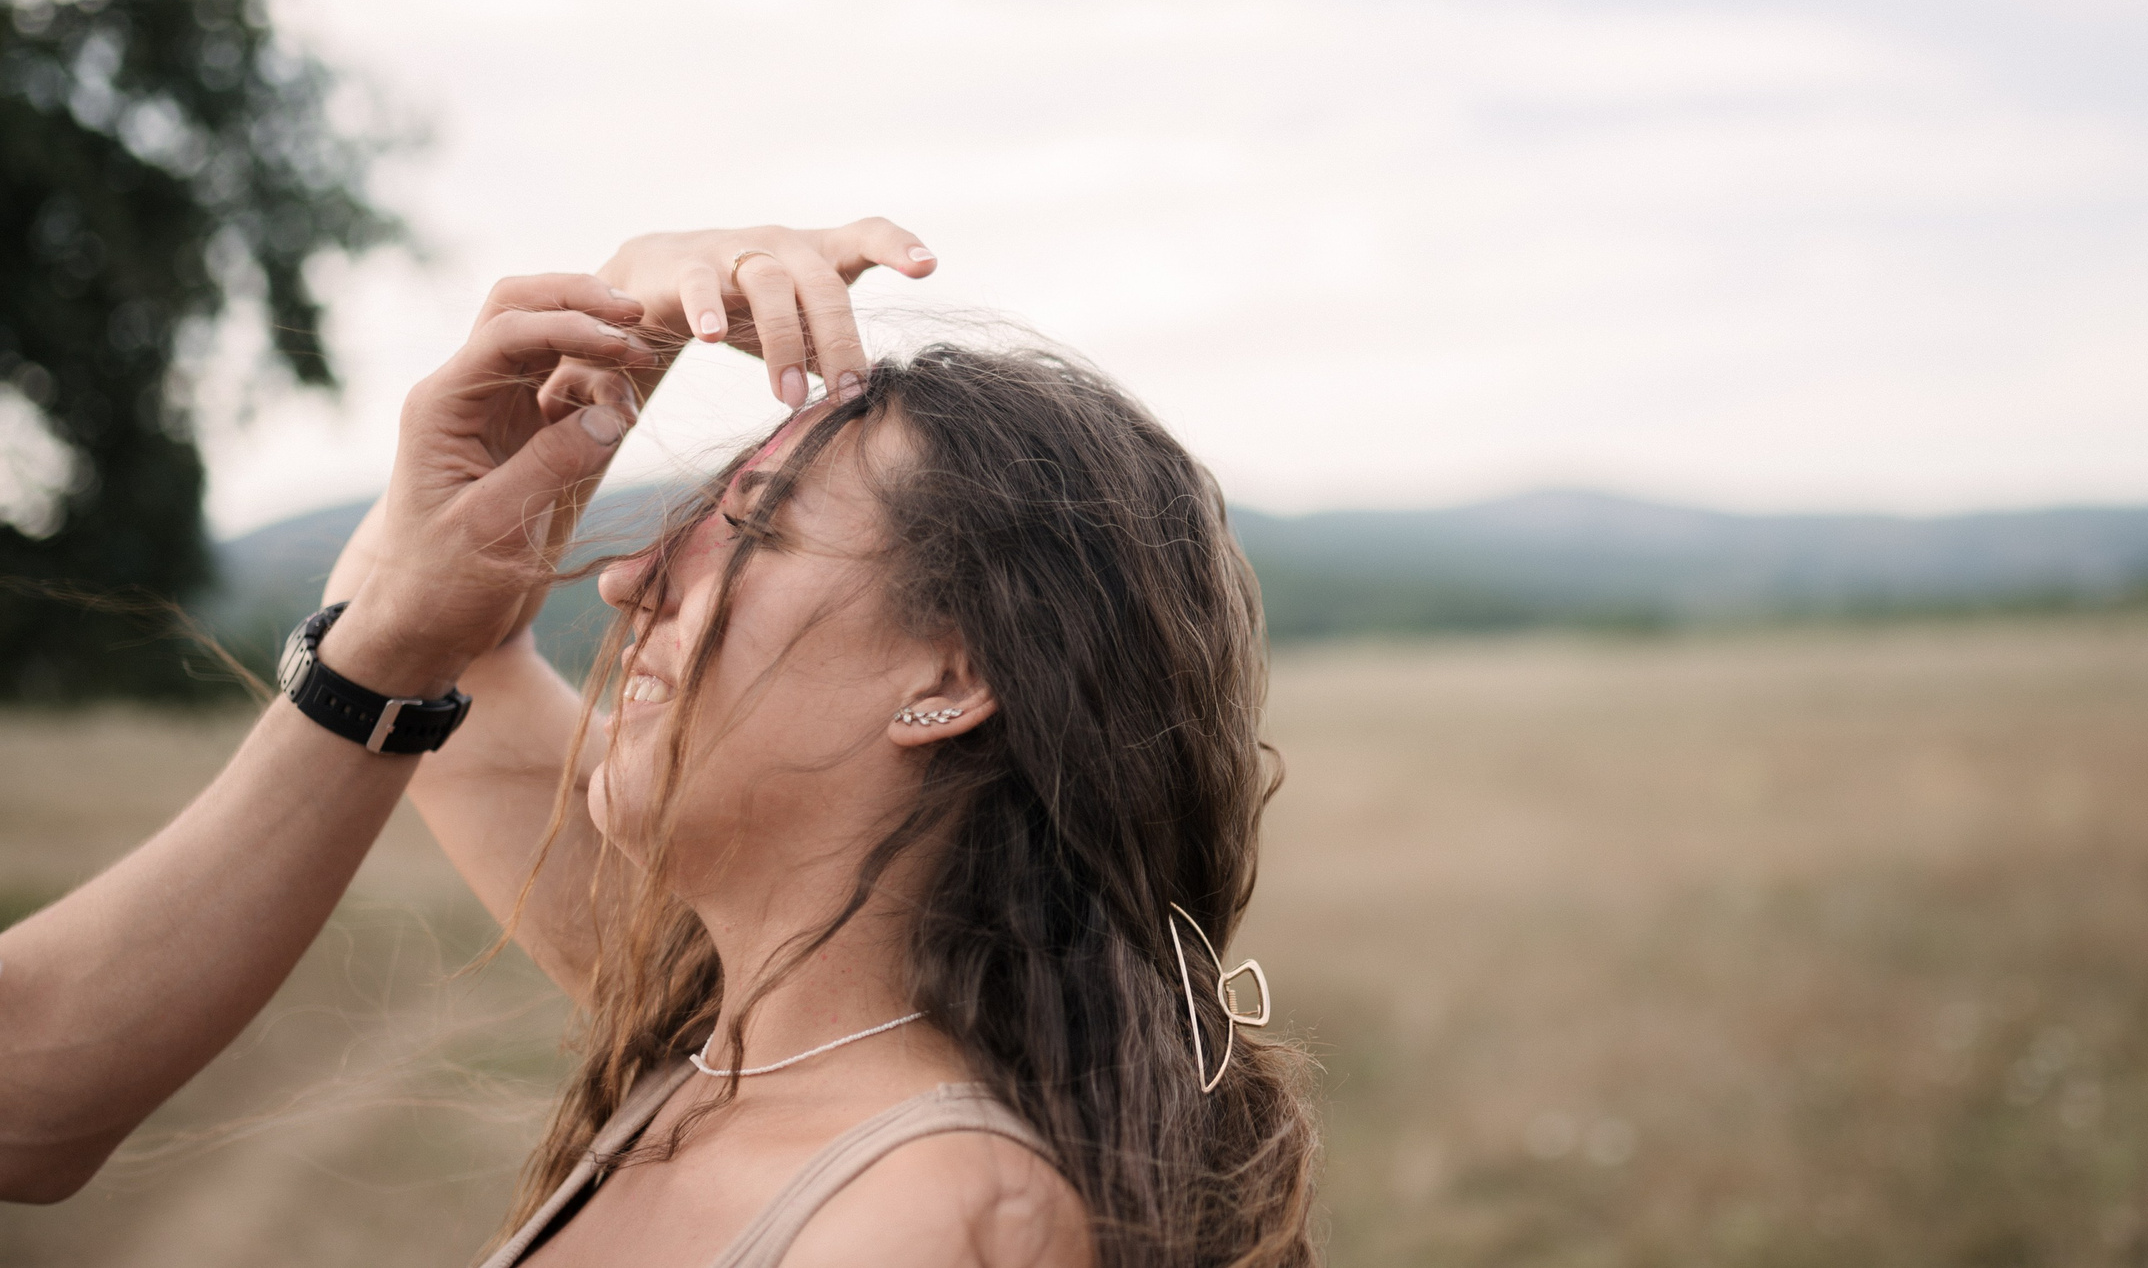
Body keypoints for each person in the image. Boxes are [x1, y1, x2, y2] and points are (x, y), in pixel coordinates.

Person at [1, 219, 1315, 1268]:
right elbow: (433, 639)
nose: (626, 583)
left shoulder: (933, 1217)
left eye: (752, 527)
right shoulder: (719, 1030)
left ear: (952, 673)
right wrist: (611, 339)